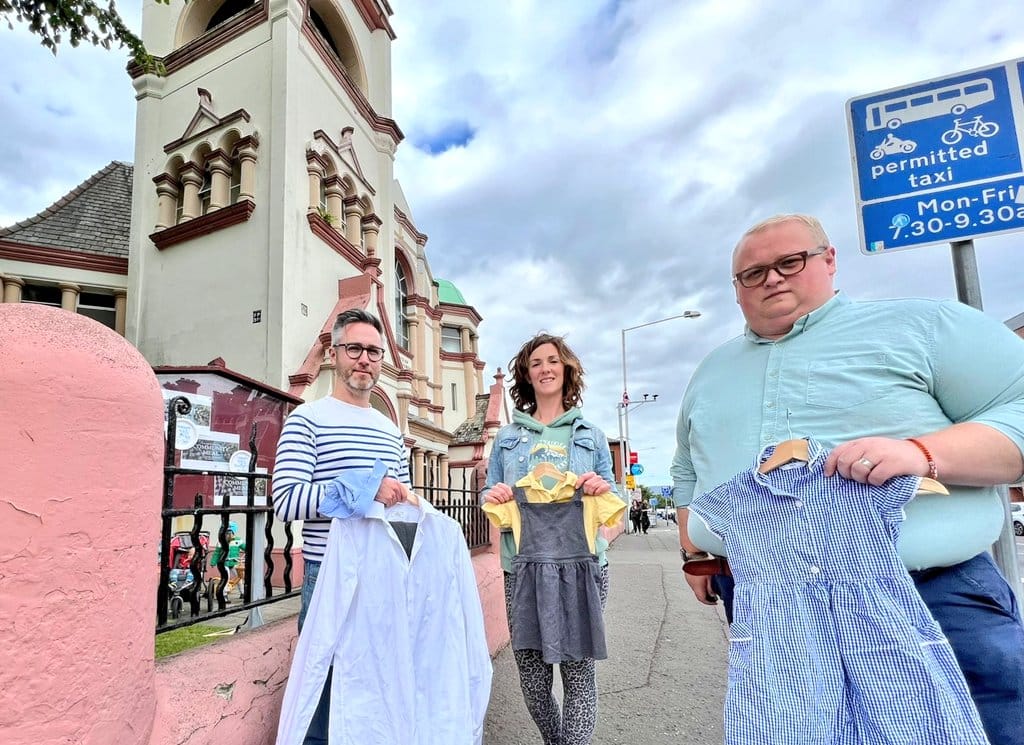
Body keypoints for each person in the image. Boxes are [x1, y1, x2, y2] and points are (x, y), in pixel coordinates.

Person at [671, 213, 1024, 744]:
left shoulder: (925, 326)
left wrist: (921, 452)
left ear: (829, 260)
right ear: (737, 289)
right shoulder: (711, 370)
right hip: (768, 604)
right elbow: (687, 470)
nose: (771, 278)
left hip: (928, 592)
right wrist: (695, 553)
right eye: (753, 273)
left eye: (790, 261)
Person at [272, 308, 411, 745]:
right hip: (327, 572)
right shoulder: (307, 419)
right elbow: (286, 500)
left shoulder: (391, 430)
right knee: (324, 689)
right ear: (334, 354)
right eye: (355, 348)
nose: (364, 359)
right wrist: (364, 490)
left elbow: (401, 508)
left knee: (372, 687)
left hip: (381, 574)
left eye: (373, 351)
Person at [482, 333, 624, 745]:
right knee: (532, 675)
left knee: (579, 672)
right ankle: (554, 739)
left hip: (583, 564)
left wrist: (602, 489)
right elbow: (488, 495)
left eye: (552, 361)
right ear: (527, 375)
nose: (545, 368)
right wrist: (494, 497)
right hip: (521, 567)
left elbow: (617, 499)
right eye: (536, 363)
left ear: (566, 370)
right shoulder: (508, 438)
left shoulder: (591, 434)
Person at [208, 521, 245, 598]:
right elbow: (217, 553)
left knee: (239, 577)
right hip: (224, 563)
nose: (227, 535)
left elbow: (245, 548)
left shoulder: (238, 541)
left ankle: (242, 592)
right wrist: (213, 562)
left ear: (233, 533)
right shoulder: (221, 542)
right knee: (226, 578)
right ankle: (224, 594)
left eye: (229, 533)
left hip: (234, 562)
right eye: (226, 533)